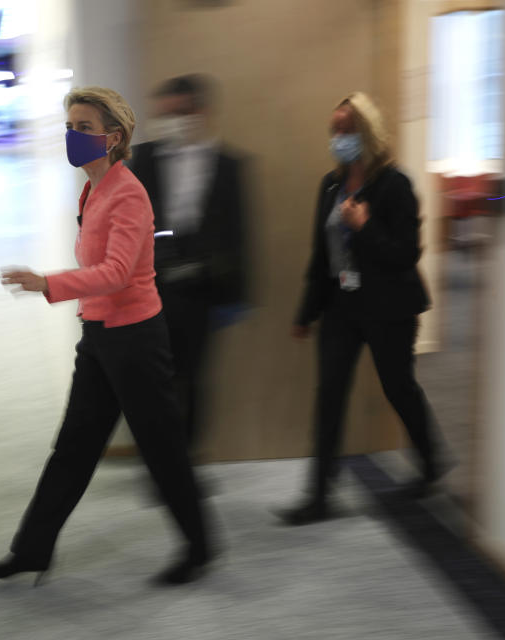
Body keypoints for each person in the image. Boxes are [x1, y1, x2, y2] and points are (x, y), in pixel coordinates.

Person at [0, 87, 211, 585]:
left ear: (114, 137)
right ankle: (32, 550)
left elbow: (118, 272)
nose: (71, 136)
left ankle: (199, 546)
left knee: (161, 448)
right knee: (75, 447)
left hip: (137, 341)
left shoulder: (127, 192)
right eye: (69, 126)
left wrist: (49, 284)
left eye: (83, 128)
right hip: (101, 336)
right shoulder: (92, 188)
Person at [279, 92, 446, 526]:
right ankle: (319, 495)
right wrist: (305, 313)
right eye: (334, 130)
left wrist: (365, 226)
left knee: (398, 388)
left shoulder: (395, 184)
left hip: (389, 308)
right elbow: (322, 257)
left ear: (366, 133)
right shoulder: (330, 186)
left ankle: (431, 462)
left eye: (347, 129)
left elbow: (405, 254)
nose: (339, 138)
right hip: (341, 308)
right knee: (329, 396)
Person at [129, 74, 248, 449]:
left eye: (183, 112)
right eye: (167, 113)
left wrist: (237, 296)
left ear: (202, 112)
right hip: (152, 288)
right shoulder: (143, 158)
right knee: (153, 380)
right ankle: (158, 460)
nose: (175, 120)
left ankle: (187, 461)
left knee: (193, 380)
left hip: (201, 290)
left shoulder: (228, 165)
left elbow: (240, 231)